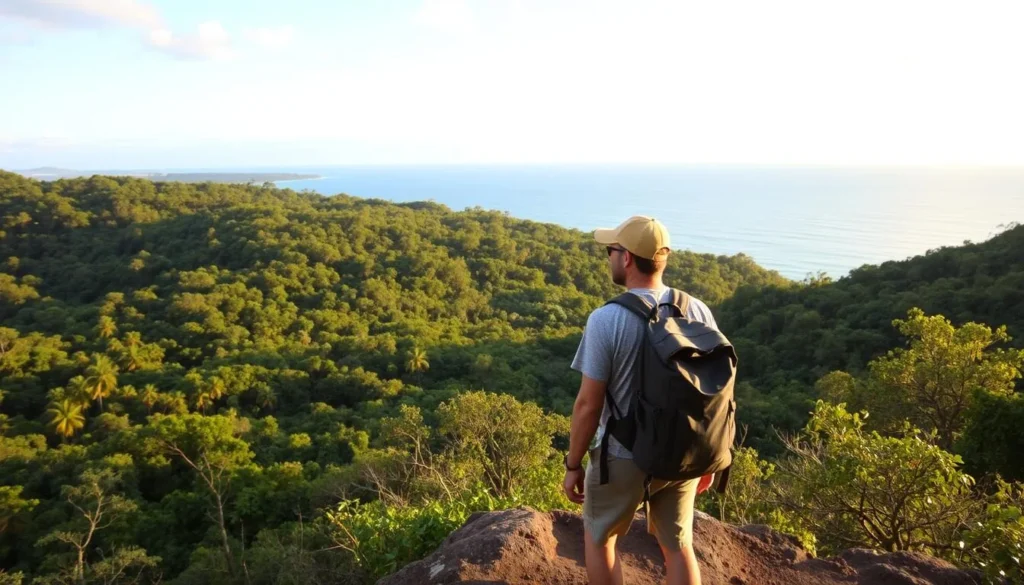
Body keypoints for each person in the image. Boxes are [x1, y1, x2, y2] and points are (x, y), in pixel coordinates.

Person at [564, 215, 718, 585]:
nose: (609, 257)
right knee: (679, 544)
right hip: (683, 449)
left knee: (600, 538)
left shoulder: (606, 319)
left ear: (628, 259)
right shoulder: (697, 310)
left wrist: (573, 464)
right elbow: (714, 389)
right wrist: (708, 455)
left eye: (611, 250)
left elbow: (589, 403)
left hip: (623, 452)